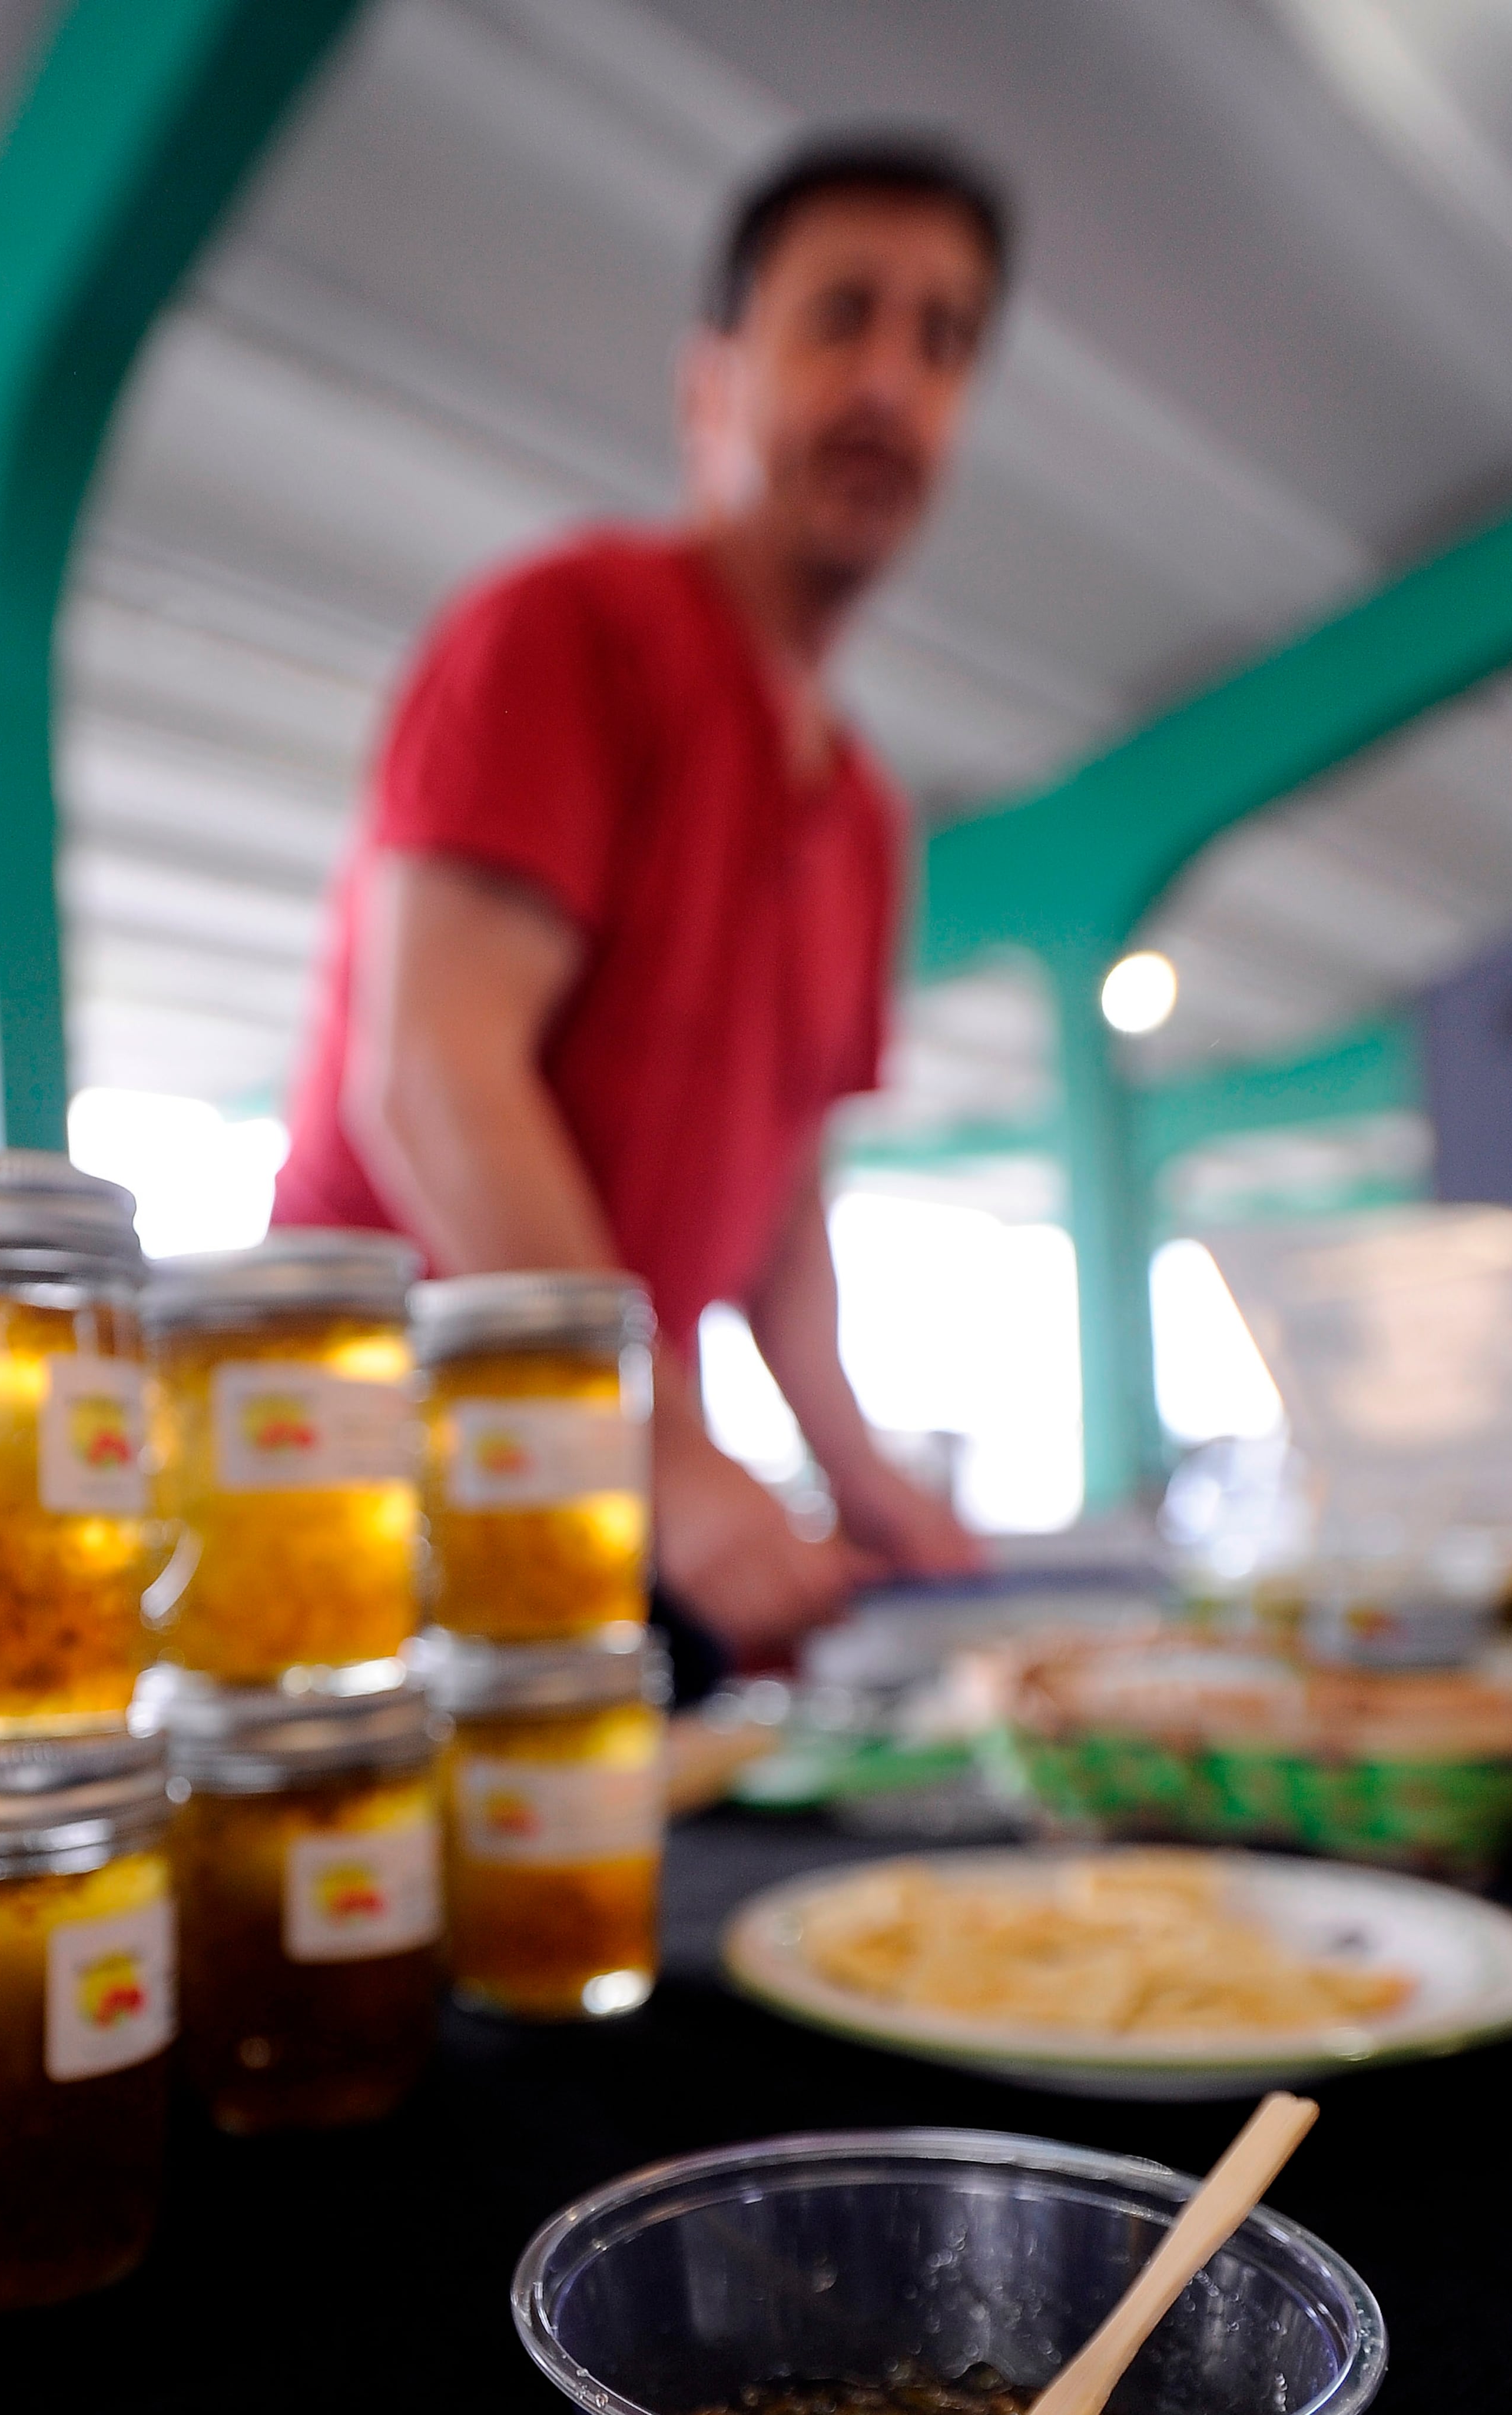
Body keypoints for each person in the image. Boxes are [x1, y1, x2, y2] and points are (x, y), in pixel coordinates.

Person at [273, 135, 1010, 1661]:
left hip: (581, 1505)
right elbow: (431, 1074)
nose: (890, 381)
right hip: (357, 1496)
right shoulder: (565, 636)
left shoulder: (868, 815)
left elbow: (786, 1208)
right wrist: (671, 1458)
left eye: (943, 341)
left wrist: (867, 1487)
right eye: (842, 316)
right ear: (712, 380)